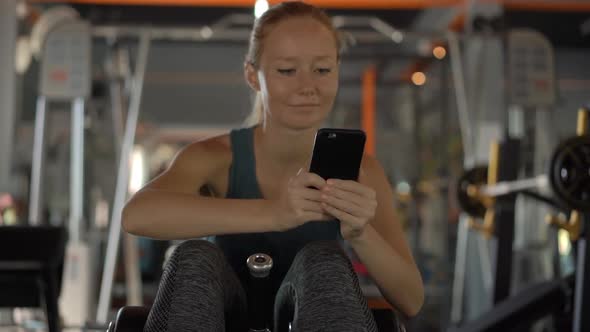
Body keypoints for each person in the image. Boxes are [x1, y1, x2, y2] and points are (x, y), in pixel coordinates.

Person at [122, 2, 424, 331]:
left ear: (337, 69)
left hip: (311, 312)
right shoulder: (215, 157)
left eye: (322, 70)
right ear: (253, 75)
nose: (307, 86)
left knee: (323, 260)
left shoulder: (363, 171)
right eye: (286, 71)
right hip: (222, 314)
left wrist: (361, 233)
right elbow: (137, 215)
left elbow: (411, 299)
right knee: (193, 257)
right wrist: (276, 212)